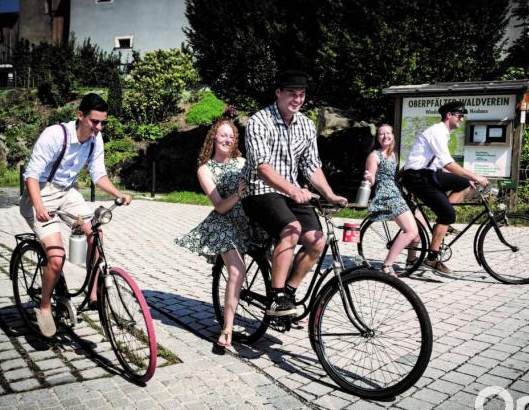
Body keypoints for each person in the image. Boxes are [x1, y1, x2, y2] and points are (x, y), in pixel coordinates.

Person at [20, 93, 132, 337]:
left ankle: (93, 293)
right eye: (94, 122)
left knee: (96, 231)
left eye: (103, 123)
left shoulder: (95, 139)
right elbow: (30, 174)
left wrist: (118, 193)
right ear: (80, 116)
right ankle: (45, 306)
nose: (99, 127)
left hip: (67, 193)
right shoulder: (54, 135)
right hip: (39, 193)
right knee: (57, 258)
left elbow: (98, 174)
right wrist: (38, 207)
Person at [242, 69, 348, 317]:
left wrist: (330, 195)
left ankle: (289, 293)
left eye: (301, 95)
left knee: (317, 240)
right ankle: (276, 298)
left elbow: (312, 166)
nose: (297, 99)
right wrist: (292, 189)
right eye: (292, 93)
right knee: (291, 229)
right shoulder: (260, 121)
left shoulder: (306, 125)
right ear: (278, 92)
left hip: (291, 192)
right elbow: (262, 167)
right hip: (258, 191)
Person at [174, 116, 249, 351]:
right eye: (223, 135)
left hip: (247, 220)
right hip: (223, 223)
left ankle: (284, 307)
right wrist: (238, 193)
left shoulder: (242, 161)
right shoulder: (205, 169)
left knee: (279, 252)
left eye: (232, 135)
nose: (228, 139)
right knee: (237, 270)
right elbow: (219, 206)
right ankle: (227, 328)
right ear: (214, 138)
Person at [401, 100, 488, 274]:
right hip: (416, 177)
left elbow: (440, 162)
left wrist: (466, 179)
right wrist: (475, 175)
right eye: (460, 116)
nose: (462, 120)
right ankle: (432, 259)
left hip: (428, 173)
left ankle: (443, 223)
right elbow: (449, 164)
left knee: (463, 184)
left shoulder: (444, 133)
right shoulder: (437, 132)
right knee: (448, 213)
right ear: (449, 115)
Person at [363, 124, 421, 277]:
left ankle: (411, 259)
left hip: (397, 192)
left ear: (393, 136)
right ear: (377, 138)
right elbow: (372, 178)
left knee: (418, 230)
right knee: (411, 231)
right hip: (387, 194)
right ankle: (387, 265)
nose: (385, 136)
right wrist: (369, 178)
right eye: (381, 134)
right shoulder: (374, 156)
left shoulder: (393, 154)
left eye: (388, 133)